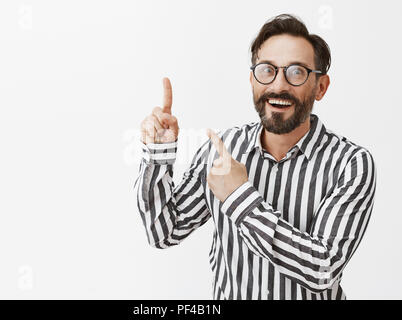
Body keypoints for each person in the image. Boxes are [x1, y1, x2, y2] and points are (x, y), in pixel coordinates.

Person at [134, 13, 376, 300]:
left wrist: (238, 197)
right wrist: (159, 154)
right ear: (252, 80)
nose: (278, 85)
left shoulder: (351, 164)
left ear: (320, 87)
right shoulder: (222, 148)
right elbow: (163, 232)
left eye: (296, 72)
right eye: (267, 70)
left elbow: (322, 270)